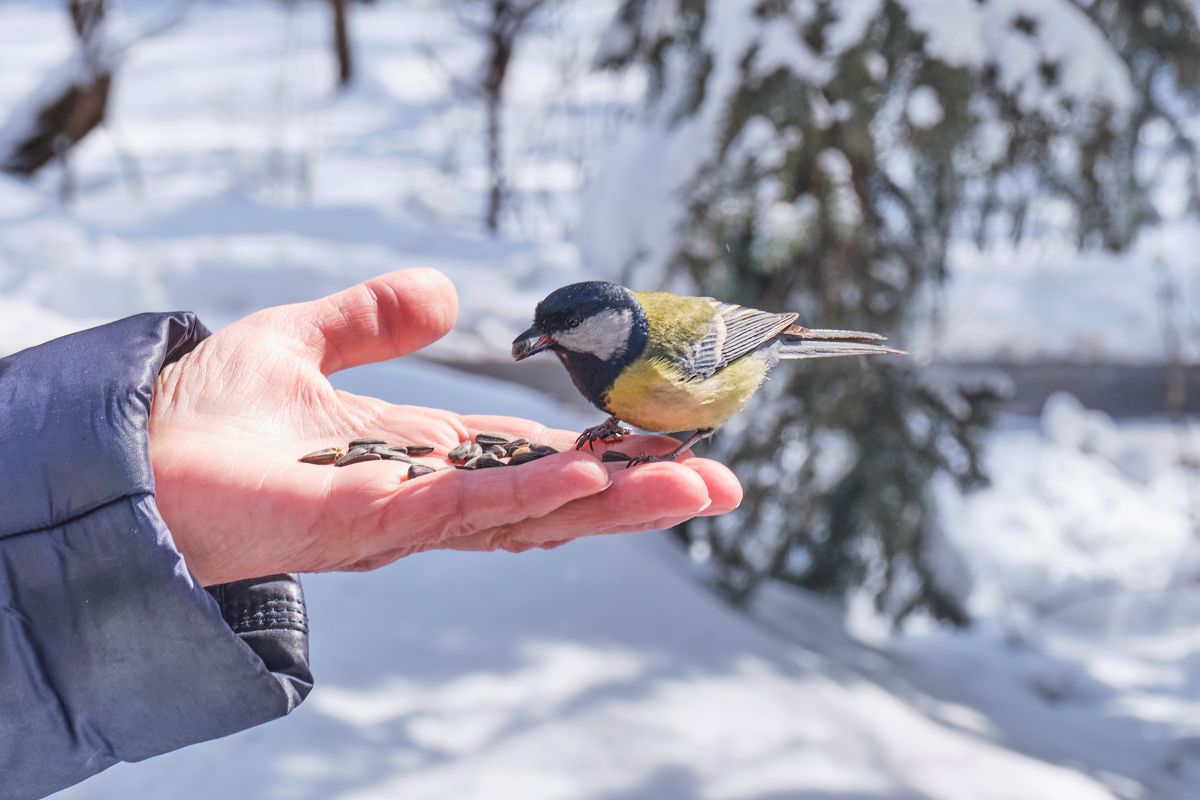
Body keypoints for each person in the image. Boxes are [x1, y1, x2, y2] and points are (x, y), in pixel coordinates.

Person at [0, 268, 741, 800]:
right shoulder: (601, 360)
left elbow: (730, 350)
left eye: (564, 332)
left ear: (613, 327)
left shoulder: (660, 349)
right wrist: (139, 479)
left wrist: (136, 486)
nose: (548, 342)